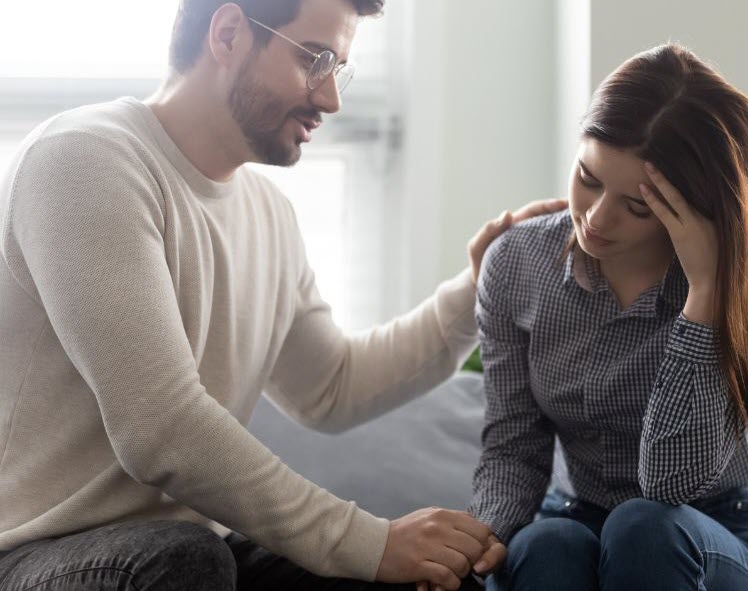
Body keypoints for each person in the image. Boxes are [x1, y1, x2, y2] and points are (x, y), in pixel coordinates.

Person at [0, 0, 565, 589]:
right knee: (189, 559)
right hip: (38, 553)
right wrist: (369, 542)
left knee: (428, 578)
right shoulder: (85, 161)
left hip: (189, 551)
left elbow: (331, 386)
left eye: (337, 69)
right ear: (228, 33)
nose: (331, 98)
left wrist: (476, 288)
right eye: (314, 60)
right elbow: (160, 427)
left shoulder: (268, 213)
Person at [470, 43, 748, 590]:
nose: (596, 218)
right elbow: (514, 448)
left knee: (643, 528)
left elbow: (670, 484)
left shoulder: (737, 287)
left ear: (695, 207)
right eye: (587, 177)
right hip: (578, 518)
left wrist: (704, 294)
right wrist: (486, 537)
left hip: (711, 534)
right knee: (542, 544)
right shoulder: (517, 264)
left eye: (637, 206)